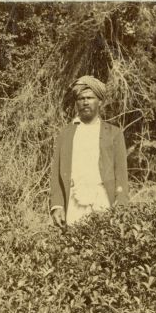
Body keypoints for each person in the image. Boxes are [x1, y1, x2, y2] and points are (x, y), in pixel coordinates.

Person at [49, 75, 129, 228]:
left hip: (104, 201)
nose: (85, 102)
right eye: (81, 98)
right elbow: (56, 175)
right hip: (74, 203)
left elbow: (121, 174)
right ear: (76, 103)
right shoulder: (65, 134)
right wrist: (57, 205)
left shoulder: (114, 133)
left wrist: (121, 205)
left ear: (100, 101)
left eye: (90, 97)